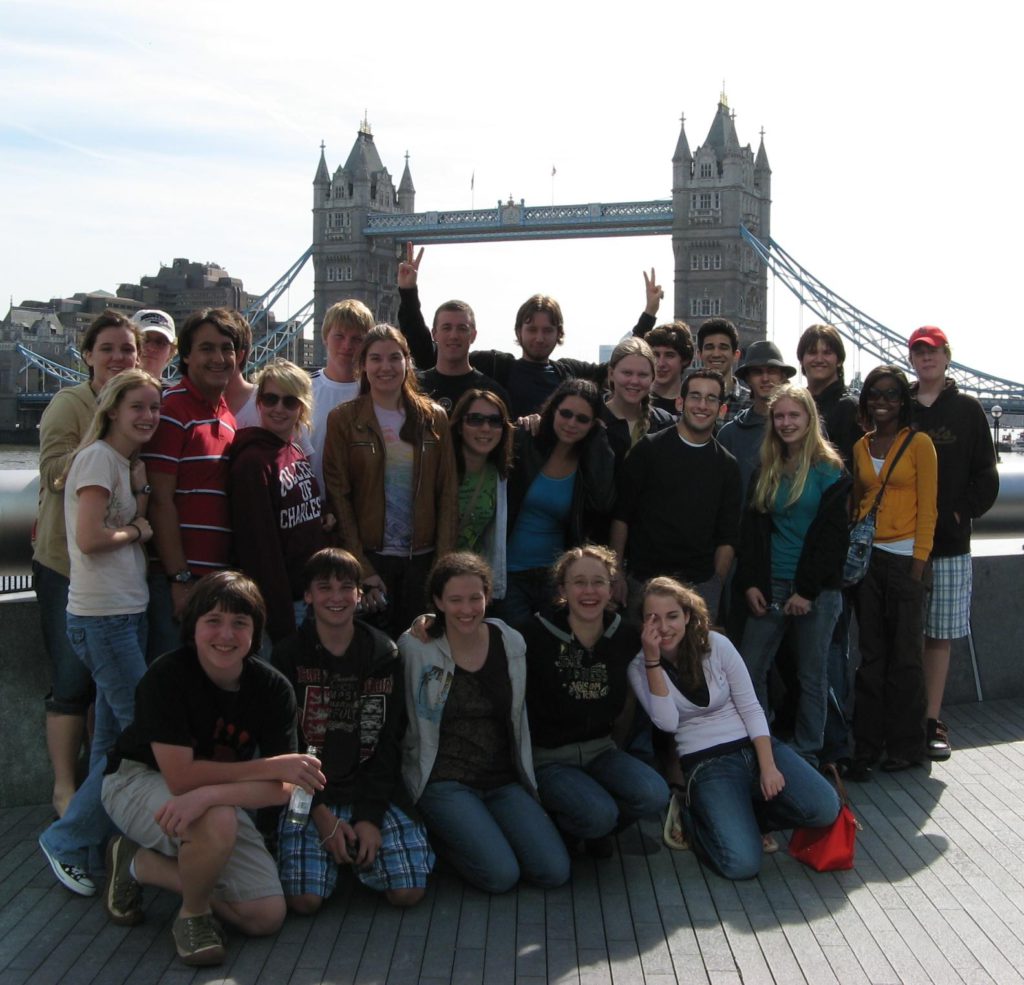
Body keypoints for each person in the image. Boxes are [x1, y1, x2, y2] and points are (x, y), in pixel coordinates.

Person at [100, 571, 321, 967]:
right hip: (136, 778)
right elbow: (180, 778)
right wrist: (269, 769)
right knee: (217, 820)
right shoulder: (166, 676)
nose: (226, 634)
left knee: (265, 914)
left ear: (255, 632)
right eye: (213, 621)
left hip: (211, 794)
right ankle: (193, 915)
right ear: (193, 627)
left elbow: (284, 788)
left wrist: (213, 793)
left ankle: (135, 862)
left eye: (240, 623)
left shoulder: (272, 689)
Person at [37, 370, 161, 896]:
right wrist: (136, 530)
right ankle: (68, 840)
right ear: (111, 409)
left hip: (125, 612)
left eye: (154, 408)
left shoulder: (125, 464)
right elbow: (88, 537)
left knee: (112, 740)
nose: (148, 416)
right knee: (138, 733)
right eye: (137, 407)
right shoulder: (94, 460)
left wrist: (141, 487)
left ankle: (92, 838)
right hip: (102, 618)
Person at [629, 577, 840, 880]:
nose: (664, 627)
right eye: (653, 619)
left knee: (824, 806)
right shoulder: (639, 667)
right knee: (741, 865)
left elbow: (752, 707)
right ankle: (692, 816)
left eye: (672, 616)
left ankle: (750, 820)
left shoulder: (716, 645)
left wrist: (768, 766)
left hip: (751, 746)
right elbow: (667, 723)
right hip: (707, 763)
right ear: (643, 624)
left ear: (687, 616)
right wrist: (652, 660)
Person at [272, 548, 433, 912]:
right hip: (308, 791)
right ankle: (335, 851)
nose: (336, 597)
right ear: (308, 595)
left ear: (360, 594)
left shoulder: (383, 652)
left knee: (409, 892)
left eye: (347, 587)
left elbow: (388, 741)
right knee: (304, 901)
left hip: (371, 786)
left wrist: (370, 817)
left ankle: (354, 850)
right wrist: (322, 815)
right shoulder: (287, 655)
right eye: (324, 587)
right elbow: (286, 746)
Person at [399, 553, 570, 893]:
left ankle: (484, 833)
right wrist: (422, 620)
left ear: (488, 596)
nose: (467, 609)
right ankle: (441, 841)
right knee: (500, 876)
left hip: (502, 780)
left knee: (554, 871)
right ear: (438, 601)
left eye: (475, 598)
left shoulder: (510, 642)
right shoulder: (417, 647)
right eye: (455, 600)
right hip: (443, 780)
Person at [32, 309, 141, 817]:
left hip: (119, 576)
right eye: (108, 349)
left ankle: (100, 806)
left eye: (127, 349)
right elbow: (54, 470)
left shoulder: (139, 403)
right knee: (73, 683)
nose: (118, 357)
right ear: (88, 356)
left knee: (109, 695)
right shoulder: (68, 403)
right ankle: (63, 788)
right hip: (64, 560)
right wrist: (105, 440)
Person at [518, 546, 669, 856]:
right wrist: (427, 622)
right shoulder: (534, 633)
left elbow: (678, 634)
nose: (590, 591)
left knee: (654, 793)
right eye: (579, 582)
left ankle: (596, 828)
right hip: (549, 758)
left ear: (611, 588)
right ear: (562, 589)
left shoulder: (626, 634)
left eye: (599, 582)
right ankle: (569, 826)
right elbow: (483, 635)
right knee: (598, 814)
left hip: (601, 750)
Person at [396, 244, 654, 418]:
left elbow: (619, 366)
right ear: (518, 332)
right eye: (531, 329)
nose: (539, 337)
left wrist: (647, 317)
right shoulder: (497, 367)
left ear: (559, 334)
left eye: (547, 330)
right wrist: (408, 293)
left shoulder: (569, 373)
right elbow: (430, 353)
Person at [735, 385, 850, 767]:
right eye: (779, 416)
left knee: (811, 675)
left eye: (793, 416)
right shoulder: (766, 466)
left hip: (814, 592)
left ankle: (808, 751)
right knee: (750, 669)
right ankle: (762, 742)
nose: (786, 423)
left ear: (809, 419)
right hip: (769, 584)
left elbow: (833, 540)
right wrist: (752, 581)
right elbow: (751, 533)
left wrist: (806, 590)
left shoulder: (830, 470)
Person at [321, 324, 458, 638]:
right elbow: (339, 496)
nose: (386, 367)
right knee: (376, 656)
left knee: (421, 651)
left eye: (395, 358)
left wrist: (442, 567)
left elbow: (447, 492)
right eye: (376, 359)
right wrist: (362, 567)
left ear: (407, 363)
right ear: (363, 365)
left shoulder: (433, 417)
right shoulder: (343, 419)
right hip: (371, 558)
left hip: (422, 561)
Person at [908, 326, 999, 761]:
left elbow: (988, 476)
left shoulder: (968, 410)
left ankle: (930, 720)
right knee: (898, 634)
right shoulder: (898, 406)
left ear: (947, 357)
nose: (926, 359)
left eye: (933, 352)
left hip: (948, 544)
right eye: (918, 352)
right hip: (900, 542)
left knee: (939, 636)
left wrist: (960, 512)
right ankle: (898, 719)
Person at [849, 366, 937, 779]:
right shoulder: (860, 446)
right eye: (874, 394)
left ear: (904, 401)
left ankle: (906, 746)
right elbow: (859, 500)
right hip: (869, 561)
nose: (881, 401)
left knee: (905, 660)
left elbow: (929, 508)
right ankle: (867, 743)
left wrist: (918, 566)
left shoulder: (920, 444)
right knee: (871, 658)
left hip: (906, 562)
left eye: (891, 394)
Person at [143, 307, 244, 662]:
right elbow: (159, 500)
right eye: (206, 348)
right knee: (168, 683)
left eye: (226, 348)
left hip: (215, 581)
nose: (218, 358)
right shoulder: (170, 410)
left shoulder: (229, 418)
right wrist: (179, 578)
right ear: (186, 355)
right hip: (176, 582)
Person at [610, 370, 742, 622]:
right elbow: (621, 517)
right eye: (695, 396)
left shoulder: (728, 466)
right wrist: (617, 573)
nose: (702, 405)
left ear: (722, 409)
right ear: (680, 403)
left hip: (699, 587)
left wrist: (713, 587)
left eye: (711, 398)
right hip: (644, 582)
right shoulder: (647, 450)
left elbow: (728, 537)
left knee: (694, 662)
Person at [229, 359, 329, 645]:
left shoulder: (294, 451)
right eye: (270, 399)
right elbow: (260, 548)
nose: (279, 408)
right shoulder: (252, 463)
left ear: (302, 408)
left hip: (306, 597)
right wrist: (280, 619)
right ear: (258, 402)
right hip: (279, 608)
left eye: (290, 401)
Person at [500, 378, 616, 624]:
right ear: (553, 410)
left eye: (583, 419)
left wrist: (598, 440)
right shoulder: (525, 440)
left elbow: (603, 501)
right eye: (566, 413)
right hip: (509, 572)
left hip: (556, 578)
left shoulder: (589, 460)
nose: (572, 423)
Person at [449, 389, 514, 601]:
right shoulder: (440, 467)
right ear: (459, 426)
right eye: (475, 419)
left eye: (495, 421)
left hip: (472, 579)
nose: (485, 428)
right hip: (435, 574)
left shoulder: (499, 474)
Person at [309, 299, 375, 493]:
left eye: (357, 339)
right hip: (314, 505)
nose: (347, 345)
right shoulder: (303, 390)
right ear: (325, 337)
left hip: (363, 507)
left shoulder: (378, 392)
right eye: (339, 336)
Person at [718, 341, 796, 501]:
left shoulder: (803, 429)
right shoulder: (729, 434)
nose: (765, 378)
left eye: (772, 371)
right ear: (747, 378)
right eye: (757, 372)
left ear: (783, 376)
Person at [599, 336, 675, 465]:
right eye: (627, 373)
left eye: (642, 375)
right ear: (611, 374)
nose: (634, 381)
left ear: (652, 377)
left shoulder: (664, 423)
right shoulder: (591, 420)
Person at [796, 324, 862, 468]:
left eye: (827, 353)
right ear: (801, 360)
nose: (819, 359)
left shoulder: (849, 407)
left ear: (839, 360)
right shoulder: (795, 406)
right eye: (812, 352)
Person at [696, 318, 749, 425]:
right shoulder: (689, 401)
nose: (716, 354)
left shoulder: (751, 403)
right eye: (709, 347)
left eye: (723, 348)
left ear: (736, 355)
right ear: (699, 355)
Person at [644, 320, 694, 416]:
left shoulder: (694, 404)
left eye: (669, 355)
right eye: (656, 355)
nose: (661, 363)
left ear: (685, 359)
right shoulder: (638, 401)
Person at [132, 309, 177, 381]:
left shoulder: (178, 392)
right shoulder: (111, 390)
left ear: (171, 351)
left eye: (160, 342)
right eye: (144, 339)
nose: (151, 348)